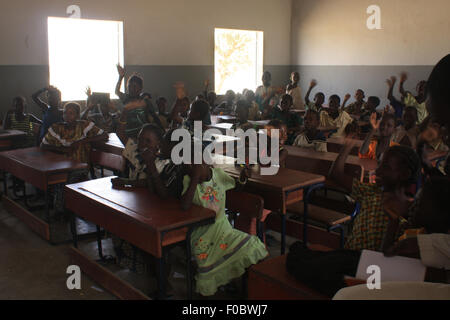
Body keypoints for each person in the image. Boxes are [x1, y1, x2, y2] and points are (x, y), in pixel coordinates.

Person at [181, 151, 268, 296]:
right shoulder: (188, 180)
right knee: (206, 271)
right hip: (202, 236)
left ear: (207, 163)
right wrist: (195, 178)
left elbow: (235, 187)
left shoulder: (218, 175)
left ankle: (245, 289)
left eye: (196, 165)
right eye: (189, 166)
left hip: (224, 229)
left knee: (253, 247)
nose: (192, 169)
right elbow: (184, 206)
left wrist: (242, 179)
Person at [329, 141, 421, 252]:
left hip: (368, 265)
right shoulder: (371, 191)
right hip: (347, 255)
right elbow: (336, 174)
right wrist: (347, 148)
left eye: (386, 167)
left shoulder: (408, 212)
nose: (378, 171)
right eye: (380, 164)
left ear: (405, 174)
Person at [41, 102, 108, 163]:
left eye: (71, 113)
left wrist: (81, 141)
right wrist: (62, 149)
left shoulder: (84, 126)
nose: (67, 116)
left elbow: (104, 135)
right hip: (59, 164)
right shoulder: (56, 128)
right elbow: (43, 145)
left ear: (77, 116)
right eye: (65, 113)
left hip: (80, 166)